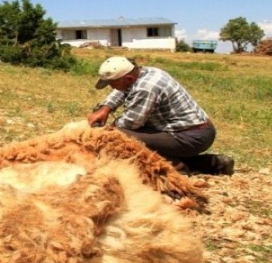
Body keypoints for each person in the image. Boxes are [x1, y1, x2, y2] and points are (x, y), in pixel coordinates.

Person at [87, 56, 234, 176]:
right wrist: (105, 108)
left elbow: (130, 123)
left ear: (129, 78)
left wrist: (103, 131)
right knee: (131, 136)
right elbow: (122, 90)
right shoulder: (145, 73)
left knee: (120, 136)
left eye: (113, 84)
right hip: (193, 131)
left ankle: (175, 167)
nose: (112, 88)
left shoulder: (146, 88)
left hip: (189, 136)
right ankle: (214, 163)